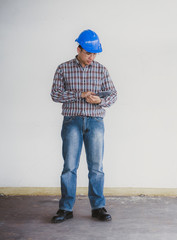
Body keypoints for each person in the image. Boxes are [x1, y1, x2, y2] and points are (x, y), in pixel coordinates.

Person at [50, 29, 117, 223]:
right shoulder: (63, 69)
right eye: (88, 53)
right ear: (78, 49)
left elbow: (113, 94)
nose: (91, 57)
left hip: (95, 121)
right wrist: (79, 95)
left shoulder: (101, 70)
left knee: (96, 167)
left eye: (94, 53)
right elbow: (55, 95)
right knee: (69, 167)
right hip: (72, 121)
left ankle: (98, 207)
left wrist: (99, 102)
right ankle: (65, 208)